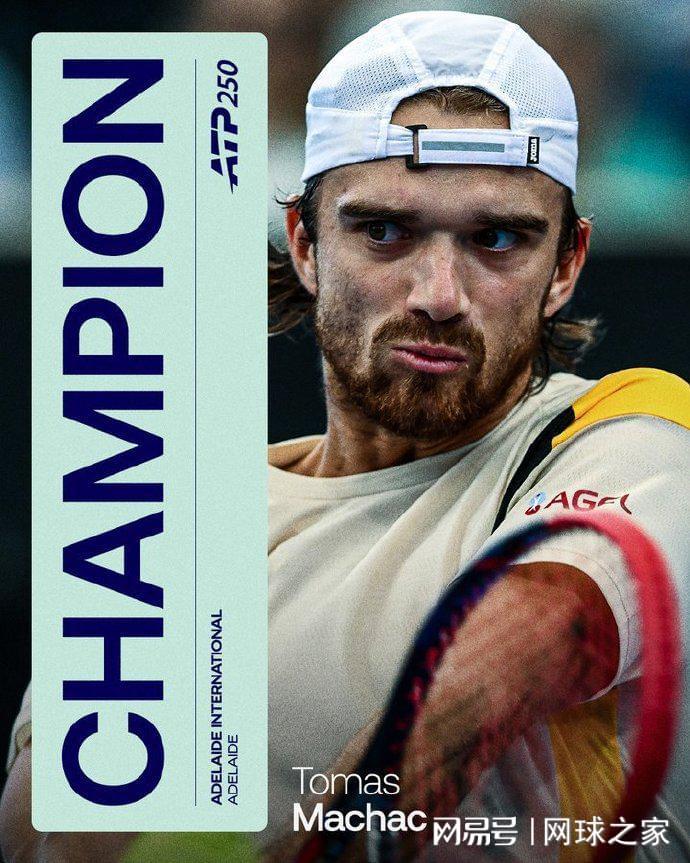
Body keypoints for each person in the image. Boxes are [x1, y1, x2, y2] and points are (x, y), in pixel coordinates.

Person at [2, 10, 689, 863]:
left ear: (567, 265)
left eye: (497, 239)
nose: (439, 294)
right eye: (384, 231)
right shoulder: (171, 523)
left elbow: (529, 642)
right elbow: (48, 842)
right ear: (304, 242)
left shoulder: (635, 428)